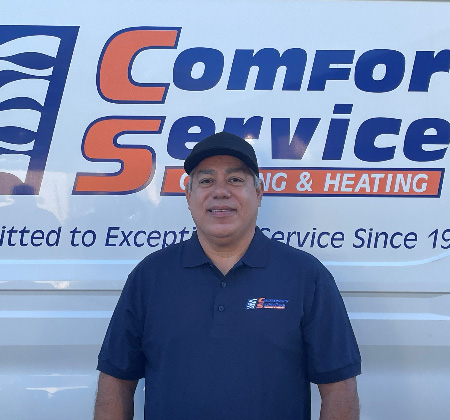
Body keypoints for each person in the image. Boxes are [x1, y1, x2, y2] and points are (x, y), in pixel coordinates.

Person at [94, 132, 361, 420]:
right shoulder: (149, 277)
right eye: (206, 181)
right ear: (188, 194)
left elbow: (339, 389)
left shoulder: (306, 277)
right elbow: (116, 381)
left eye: (235, 180)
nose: (220, 192)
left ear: (258, 193)